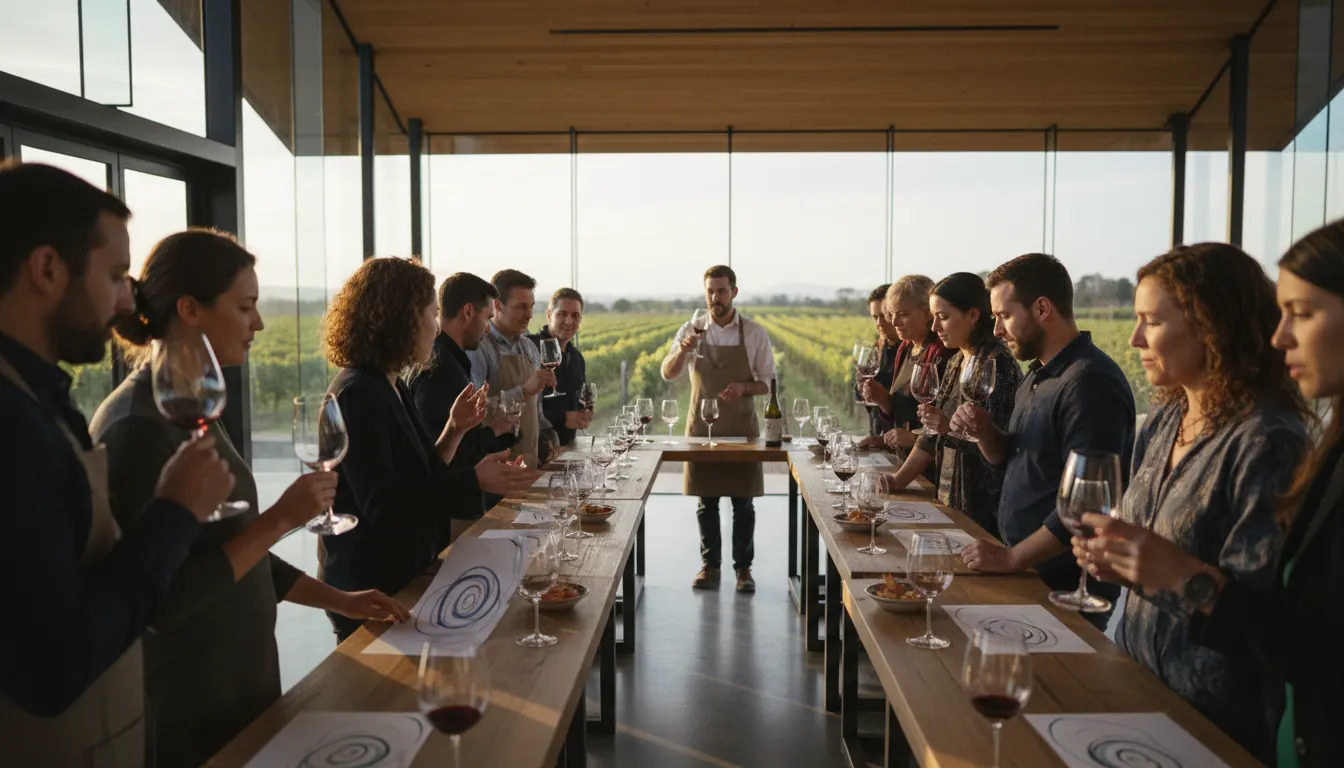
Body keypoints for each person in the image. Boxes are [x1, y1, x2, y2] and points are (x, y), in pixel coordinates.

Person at [91, 229, 413, 766]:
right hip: (190, 701)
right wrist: (283, 517)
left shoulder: (193, 406)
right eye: (246, 307)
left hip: (244, 680)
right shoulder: (137, 425)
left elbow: (233, 551)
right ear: (190, 309)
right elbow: (158, 601)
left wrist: (343, 601)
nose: (259, 324)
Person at [1076, 221, 1344, 768]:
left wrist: (1169, 572)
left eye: (1151, 321)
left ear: (1211, 326)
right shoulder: (1165, 417)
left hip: (1210, 727)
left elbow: (1270, 621)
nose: (1134, 340)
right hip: (1133, 690)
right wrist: (1124, 565)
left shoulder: (1269, 441)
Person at [0, 162, 234, 767]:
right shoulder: (13, 427)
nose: (130, 299)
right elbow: (52, 669)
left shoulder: (39, 399)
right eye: (114, 275)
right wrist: (175, 515)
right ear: (47, 269)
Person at [319, 257, 541, 641]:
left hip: (400, 573)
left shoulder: (391, 383)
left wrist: (454, 432)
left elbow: (419, 477)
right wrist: (473, 480)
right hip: (370, 586)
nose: (435, 324)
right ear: (400, 318)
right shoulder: (359, 393)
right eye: (431, 313)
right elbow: (385, 508)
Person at [951, 253, 1134, 630]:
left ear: (1042, 308)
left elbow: (1087, 503)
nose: (997, 330)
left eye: (1003, 315)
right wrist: (985, 432)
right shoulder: (1037, 375)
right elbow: (1009, 458)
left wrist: (1013, 558)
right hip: (1029, 573)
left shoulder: (1089, 383)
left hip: (1063, 584)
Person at [661, 265, 777, 594]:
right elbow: (668, 374)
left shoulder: (754, 333)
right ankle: (710, 567)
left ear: (734, 293)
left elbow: (768, 383)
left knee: (743, 504)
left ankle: (744, 570)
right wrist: (683, 350)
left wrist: (742, 387)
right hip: (702, 430)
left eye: (722, 291)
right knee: (705, 502)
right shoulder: (691, 330)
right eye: (710, 291)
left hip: (741, 429)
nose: (716, 298)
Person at [878, 273, 1021, 538]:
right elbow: (932, 435)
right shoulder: (957, 360)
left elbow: (1001, 449)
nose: (934, 327)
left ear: (973, 315)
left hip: (984, 513)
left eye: (942, 317)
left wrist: (946, 428)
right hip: (949, 501)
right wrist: (898, 479)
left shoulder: (997, 363)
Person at [469, 269, 557, 467]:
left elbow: (535, 409)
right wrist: (523, 392)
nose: (529, 315)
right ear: (498, 306)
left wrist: (548, 434)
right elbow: (474, 413)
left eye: (531, 307)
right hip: (496, 467)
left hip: (529, 460)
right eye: (521, 307)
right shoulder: (479, 349)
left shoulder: (529, 347)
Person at [874, 275, 952, 475]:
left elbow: (950, 427)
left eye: (903, 314)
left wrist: (913, 439)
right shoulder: (906, 349)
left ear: (927, 314)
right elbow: (902, 412)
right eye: (892, 314)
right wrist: (882, 399)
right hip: (904, 463)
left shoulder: (942, 355)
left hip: (930, 471)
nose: (894, 322)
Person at [528, 287, 592, 447]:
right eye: (562, 314)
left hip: (568, 448)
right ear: (549, 315)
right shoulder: (530, 348)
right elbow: (523, 408)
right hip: (536, 451)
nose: (569, 321)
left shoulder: (576, 357)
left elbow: (581, 397)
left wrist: (586, 412)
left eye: (575, 316)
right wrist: (564, 419)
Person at [855, 283, 897, 447]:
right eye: (875, 317)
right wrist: (862, 389)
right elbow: (859, 393)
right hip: (877, 438)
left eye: (884, 315)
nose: (879, 322)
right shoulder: (875, 349)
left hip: (898, 444)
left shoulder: (910, 353)